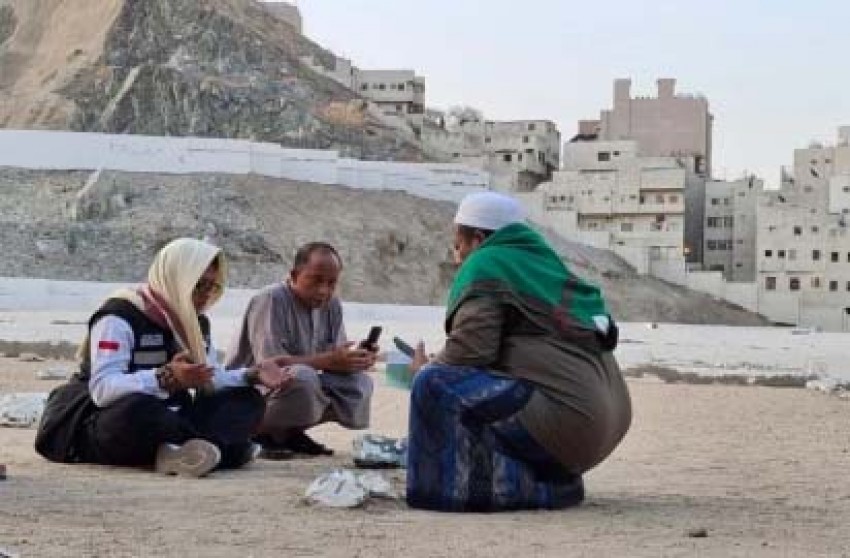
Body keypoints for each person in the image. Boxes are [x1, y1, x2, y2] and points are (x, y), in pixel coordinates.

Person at [405, 191, 632, 512]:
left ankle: (510, 491)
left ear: (478, 239)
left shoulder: (487, 261)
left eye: (458, 246)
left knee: (431, 384)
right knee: (455, 385)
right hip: (605, 425)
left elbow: (470, 352)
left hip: (570, 424)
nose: (457, 258)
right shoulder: (543, 265)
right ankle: (556, 482)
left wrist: (426, 370)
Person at [35, 238, 294, 477]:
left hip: (170, 416)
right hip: (107, 419)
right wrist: (165, 378)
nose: (205, 294)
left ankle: (185, 451)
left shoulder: (195, 323)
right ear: (176, 278)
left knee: (247, 400)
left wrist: (252, 374)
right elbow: (103, 389)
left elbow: (211, 378)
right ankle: (219, 449)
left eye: (212, 286)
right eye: (198, 285)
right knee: (140, 410)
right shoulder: (119, 317)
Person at [226, 242, 376, 458]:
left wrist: (354, 359)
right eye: (316, 280)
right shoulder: (271, 299)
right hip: (250, 392)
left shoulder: (332, 305)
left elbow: (334, 357)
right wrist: (330, 360)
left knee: (358, 383)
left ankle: (287, 432)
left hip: (291, 388)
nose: (323, 290)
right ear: (294, 276)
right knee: (302, 378)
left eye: (331, 283)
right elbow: (270, 368)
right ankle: (256, 433)